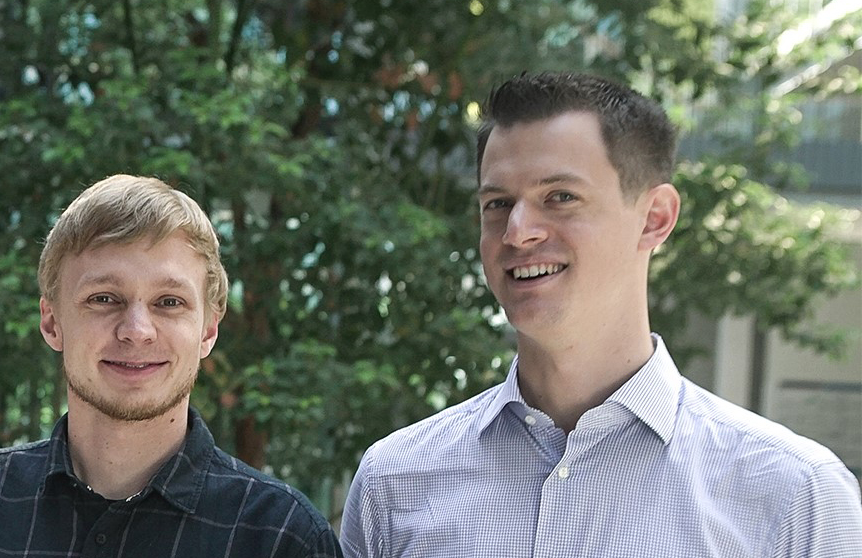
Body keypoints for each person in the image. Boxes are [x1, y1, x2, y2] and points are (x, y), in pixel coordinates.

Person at [340, 72, 862, 557]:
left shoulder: (796, 496)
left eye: (560, 197)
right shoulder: (395, 483)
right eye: (497, 203)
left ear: (654, 218)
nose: (518, 231)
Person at [0, 175, 342, 557]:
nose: (137, 331)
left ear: (208, 330)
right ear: (52, 322)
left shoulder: (281, 537)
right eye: (104, 298)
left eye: (169, 302)